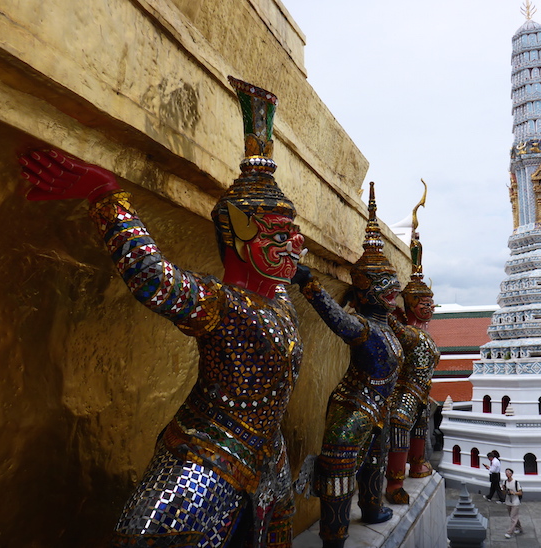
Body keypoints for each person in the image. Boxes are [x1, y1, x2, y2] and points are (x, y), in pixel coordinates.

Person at [20, 77, 305, 547]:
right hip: (205, 460)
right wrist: (105, 195)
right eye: (278, 235)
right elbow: (152, 278)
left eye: (293, 235)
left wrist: (260, 153)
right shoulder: (222, 304)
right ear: (236, 235)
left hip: (267, 459)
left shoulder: (279, 301)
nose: (294, 245)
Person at [294, 183, 403, 548]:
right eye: (384, 285)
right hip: (352, 407)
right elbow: (338, 321)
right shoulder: (364, 326)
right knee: (338, 475)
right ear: (365, 289)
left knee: (376, 461)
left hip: (379, 408)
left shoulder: (388, 327)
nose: (392, 290)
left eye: (394, 284)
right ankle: (334, 536)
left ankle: (372, 509)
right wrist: (310, 286)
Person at [384, 183, 440, 505]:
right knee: (400, 428)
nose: (428, 306)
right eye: (421, 301)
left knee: (420, 428)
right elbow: (391, 321)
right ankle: (394, 484)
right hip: (405, 391)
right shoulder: (407, 331)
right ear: (409, 305)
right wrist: (389, 306)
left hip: (423, 392)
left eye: (430, 301)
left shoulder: (424, 333)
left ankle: (418, 465)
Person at [503, 468, 523, 538]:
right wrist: (504, 490)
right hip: (508, 501)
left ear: (511, 474)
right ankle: (519, 527)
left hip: (515, 502)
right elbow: (503, 492)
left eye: (508, 472)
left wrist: (513, 492)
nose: (507, 473)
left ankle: (509, 532)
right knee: (514, 516)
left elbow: (520, 492)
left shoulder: (515, 482)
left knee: (513, 517)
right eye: (506, 472)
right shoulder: (505, 482)